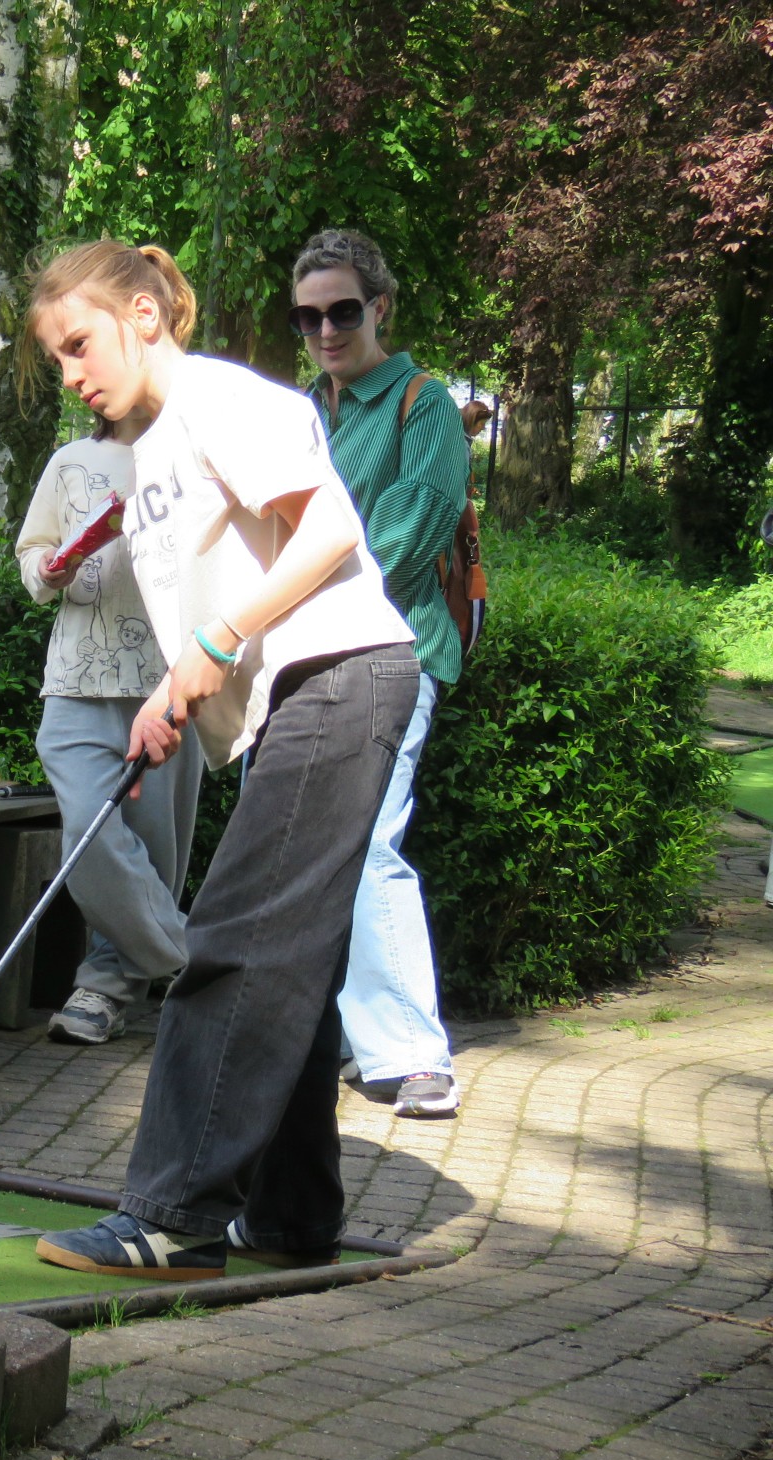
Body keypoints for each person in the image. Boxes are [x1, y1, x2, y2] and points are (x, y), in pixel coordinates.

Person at [26, 238, 419, 1280]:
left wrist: (209, 647)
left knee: (233, 948)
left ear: (144, 316)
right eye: (55, 357)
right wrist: (172, 695)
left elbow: (328, 530)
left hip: (341, 675)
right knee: (285, 959)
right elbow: (214, 599)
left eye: (79, 344)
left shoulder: (218, 400)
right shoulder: (150, 447)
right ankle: (289, 1217)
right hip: (292, 698)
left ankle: (173, 1214)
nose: (70, 373)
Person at [290, 228, 470, 1120]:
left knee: (369, 842)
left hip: (393, 654)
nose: (326, 329)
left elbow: (410, 533)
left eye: (344, 310)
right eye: (310, 316)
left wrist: (294, 596)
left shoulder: (422, 405)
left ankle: (416, 1052)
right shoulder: (302, 412)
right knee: (312, 852)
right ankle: (344, 1042)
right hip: (301, 659)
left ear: (380, 307)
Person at [16, 413, 202, 1045]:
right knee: (89, 834)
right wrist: (47, 569)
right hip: (74, 679)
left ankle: (106, 986)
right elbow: (31, 553)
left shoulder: (195, 450)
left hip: (172, 679)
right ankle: (202, 961)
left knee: (155, 846)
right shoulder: (71, 459)